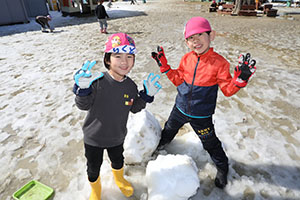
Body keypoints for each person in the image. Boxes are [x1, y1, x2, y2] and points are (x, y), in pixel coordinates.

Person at [151, 17, 256, 189]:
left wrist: (240, 80)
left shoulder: (220, 63)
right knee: (169, 129)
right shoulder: (186, 59)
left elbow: (227, 90)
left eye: (200, 35)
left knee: (210, 143)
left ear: (211, 35)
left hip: (202, 115)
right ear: (186, 43)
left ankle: (222, 167)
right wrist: (166, 68)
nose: (196, 41)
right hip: (180, 108)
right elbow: (178, 80)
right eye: (191, 38)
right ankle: (159, 146)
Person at [73, 33, 161, 200]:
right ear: (107, 60)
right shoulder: (97, 81)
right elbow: (82, 105)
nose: (124, 61)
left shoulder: (130, 86)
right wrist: (82, 90)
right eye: (117, 55)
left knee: (118, 161)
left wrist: (145, 96)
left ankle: (119, 180)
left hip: (117, 137)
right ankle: (96, 190)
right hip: (94, 138)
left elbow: (134, 108)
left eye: (129, 56)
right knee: (93, 167)